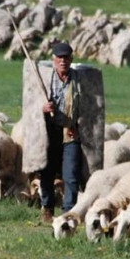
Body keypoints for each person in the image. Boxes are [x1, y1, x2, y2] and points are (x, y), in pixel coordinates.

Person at [40, 41, 81, 223]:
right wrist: (43, 108)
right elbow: (32, 104)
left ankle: (68, 212)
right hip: (50, 132)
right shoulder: (45, 79)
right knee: (47, 172)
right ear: (53, 59)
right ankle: (47, 209)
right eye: (59, 57)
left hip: (71, 133)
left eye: (66, 57)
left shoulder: (78, 80)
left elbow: (88, 107)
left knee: (71, 175)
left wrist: (77, 125)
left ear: (71, 59)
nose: (63, 61)